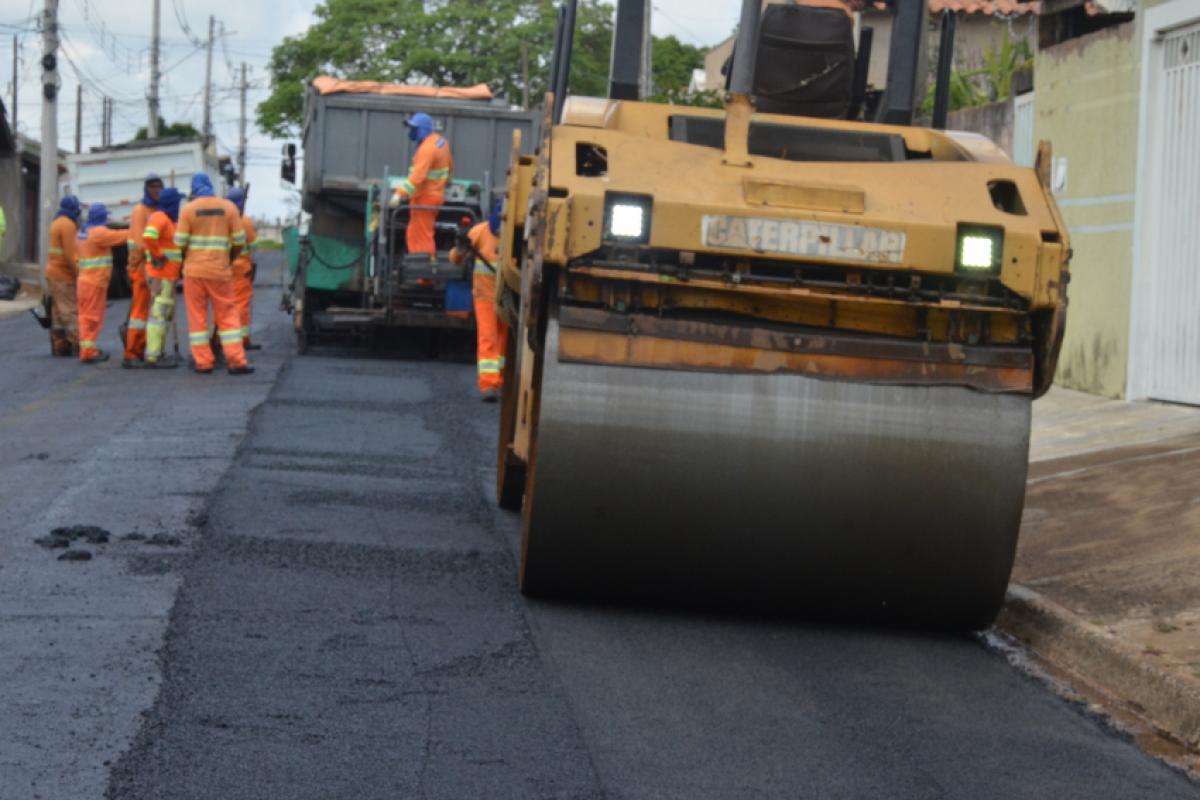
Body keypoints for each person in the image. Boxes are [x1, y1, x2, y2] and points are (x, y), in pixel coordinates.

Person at [175, 173, 251, 375]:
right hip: (220, 270)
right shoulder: (229, 208)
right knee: (228, 315)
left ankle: (203, 362)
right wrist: (230, 258)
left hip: (194, 272)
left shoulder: (188, 210)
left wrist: (189, 258)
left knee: (197, 317)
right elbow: (239, 240)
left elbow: (180, 242)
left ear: (194, 188)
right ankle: (236, 361)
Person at [451, 199, 508, 402]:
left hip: (507, 298)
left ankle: (500, 380)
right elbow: (456, 259)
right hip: (485, 297)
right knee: (488, 337)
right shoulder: (480, 231)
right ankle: (489, 384)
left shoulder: (517, 235)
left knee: (503, 340)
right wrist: (459, 249)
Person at [388, 112, 453, 256]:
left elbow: (418, 176)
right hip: (434, 195)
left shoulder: (426, 149)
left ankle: (424, 268)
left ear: (422, 129)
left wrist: (399, 194)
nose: (411, 131)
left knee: (421, 237)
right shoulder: (441, 142)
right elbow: (449, 166)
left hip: (425, 198)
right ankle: (423, 266)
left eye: (414, 128)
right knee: (415, 233)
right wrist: (446, 181)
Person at [75, 203, 128, 364]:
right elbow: (122, 236)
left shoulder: (83, 232)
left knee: (85, 316)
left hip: (85, 281)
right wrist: (140, 229)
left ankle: (87, 348)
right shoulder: (98, 233)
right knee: (92, 317)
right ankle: (88, 352)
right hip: (94, 282)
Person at [123, 173, 163, 368]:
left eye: (159, 186)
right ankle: (131, 353)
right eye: (153, 187)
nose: (156, 190)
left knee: (148, 311)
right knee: (139, 313)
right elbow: (140, 242)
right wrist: (154, 259)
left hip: (152, 267)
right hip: (141, 267)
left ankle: (143, 348)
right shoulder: (140, 211)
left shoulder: (157, 210)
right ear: (146, 189)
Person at [141, 187, 184, 368]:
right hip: (161, 276)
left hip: (169, 276)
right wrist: (159, 255)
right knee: (158, 315)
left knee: (163, 314)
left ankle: (159, 352)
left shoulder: (170, 221)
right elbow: (149, 237)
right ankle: (153, 356)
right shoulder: (160, 217)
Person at [44, 195, 82, 357]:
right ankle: (80, 344)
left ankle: (61, 345)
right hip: (62, 275)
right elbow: (70, 255)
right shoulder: (68, 225)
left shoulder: (56, 222)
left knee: (58, 313)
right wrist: (79, 274)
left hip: (53, 273)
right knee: (69, 310)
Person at [225, 187, 260, 351]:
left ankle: (220, 339)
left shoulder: (222, 219)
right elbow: (254, 245)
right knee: (241, 305)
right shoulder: (244, 221)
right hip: (241, 270)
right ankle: (241, 339)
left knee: (224, 304)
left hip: (224, 268)